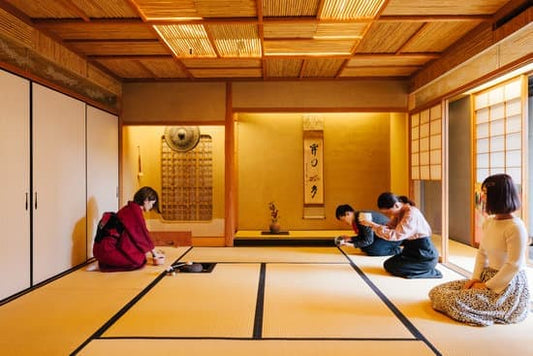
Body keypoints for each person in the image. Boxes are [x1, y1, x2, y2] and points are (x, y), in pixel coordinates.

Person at [429, 174, 530, 326]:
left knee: (452, 301)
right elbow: (482, 253)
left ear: (498, 197)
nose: (482, 197)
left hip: (507, 286)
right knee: (437, 291)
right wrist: (474, 279)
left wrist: (487, 286)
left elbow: (513, 265)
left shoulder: (515, 227)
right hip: (486, 277)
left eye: (485, 193)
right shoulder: (489, 222)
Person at [359, 192, 442, 279]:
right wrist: (372, 225)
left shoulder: (411, 213)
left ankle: (431, 272)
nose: (390, 215)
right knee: (389, 265)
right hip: (411, 251)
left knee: (397, 268)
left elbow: (395, 235)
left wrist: (373, 225)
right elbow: (389, 227)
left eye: (389, 212)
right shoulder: (399, 212)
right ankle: (419, 269)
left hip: (425, 254)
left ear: (396, 205)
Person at [93, 186, 165, 272]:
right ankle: (102, 264)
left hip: (102, 247)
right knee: (138, 261)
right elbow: (142, 235)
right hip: (108, 249)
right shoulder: (135, 211)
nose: (151, 207)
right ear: (146, 200)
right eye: (152, 204)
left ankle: (103, 262)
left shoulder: (128, 208)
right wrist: (155, 254)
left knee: (139, 256)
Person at [334, 204, 402, 256]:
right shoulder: (358, 217)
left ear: (348, 214)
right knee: (364, 247)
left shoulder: (362, 217)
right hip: (381, 236)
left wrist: (351, 245)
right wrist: (350, 239)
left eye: (343, 220)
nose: (345, 223)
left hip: (392, 237)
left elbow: (368, 240)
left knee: (373, 250)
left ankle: (398, 250)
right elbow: (364, 237)